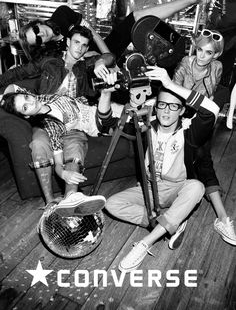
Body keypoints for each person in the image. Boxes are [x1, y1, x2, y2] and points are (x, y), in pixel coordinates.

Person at [105, 64, 222, 272]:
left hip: (177, 187)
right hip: (150, 189)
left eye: (173, 106)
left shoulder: (189, 131)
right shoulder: (145, 124)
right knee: (112, 204)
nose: (166, 111)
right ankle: (171, 222)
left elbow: (212, 110)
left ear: (183, 110)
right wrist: (110, 93)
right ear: (155, 106)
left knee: (196, 187)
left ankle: (145, 243)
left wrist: (169, 84)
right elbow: (107, 123)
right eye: (162, 105)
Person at [0, 25, 115, 207]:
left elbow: (110, 56)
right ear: (68, 42)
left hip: (73, 119)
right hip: (45, 118)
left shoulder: (84, 66)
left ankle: (70, 199)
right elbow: (18, 73)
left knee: (75, 143)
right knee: (38, 143)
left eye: (84, 45)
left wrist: (100, 61)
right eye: (76, 42)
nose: (80, 48)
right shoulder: (50, 62)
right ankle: (49, 202)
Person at [0, 76, 119, 217]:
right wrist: (62, 173)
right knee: (76, 147)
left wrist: (2, 98)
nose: (30, 102)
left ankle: (70, 198)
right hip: (100, 121)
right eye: (25, 107)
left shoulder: (43, 98)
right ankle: (71, 197)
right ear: (26, 116)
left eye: (27, 97)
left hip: (96, 103)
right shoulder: (50, 124)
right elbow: (58, 159)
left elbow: (13, 87)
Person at [19, 0, 210, 62]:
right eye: (36, 39)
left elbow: (92, 33)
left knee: (135, 18)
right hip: (94, 68)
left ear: (37, 23)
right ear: (39, 44)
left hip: (104, 48)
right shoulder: (51, 53)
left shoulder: (61, 14)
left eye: (35, 30)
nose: (39, 34)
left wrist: (107, 56)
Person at [172, 28, 236, 245]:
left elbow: (210, 97)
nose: (201, 56)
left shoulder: (217, 67)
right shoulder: (184, 63)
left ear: (215, 55)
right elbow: (173, 94)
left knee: (200, 156)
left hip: (201, 116)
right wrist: (183, 118)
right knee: (200, 157)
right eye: (199, 49)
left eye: (208, 52)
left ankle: (216, 218)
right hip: (178, 116)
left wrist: (199, 114)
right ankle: (219, 217)